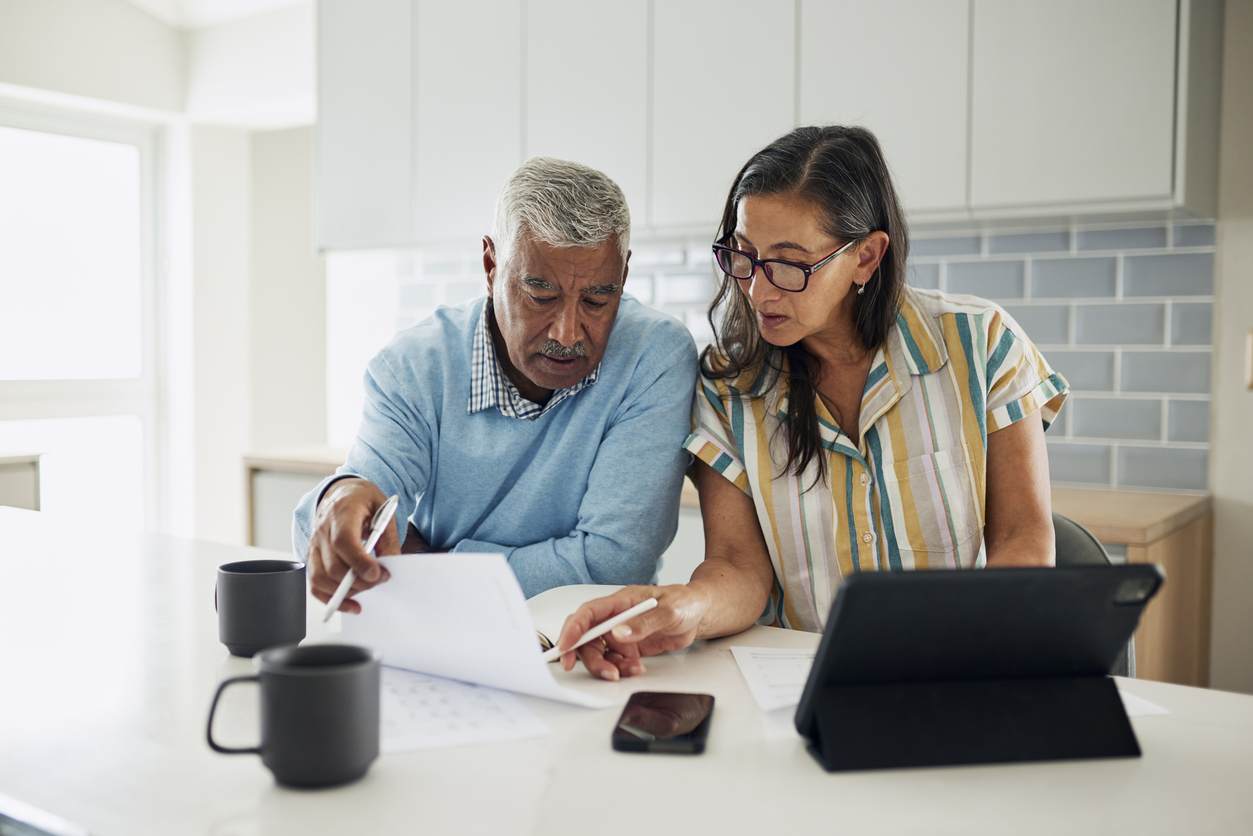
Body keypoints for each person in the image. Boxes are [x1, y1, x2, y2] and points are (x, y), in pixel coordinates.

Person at [555, 126, 1069, 681]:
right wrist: (682, 608)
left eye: (788, 264)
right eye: (744, 256)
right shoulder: (728, 386)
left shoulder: (982, 344)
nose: (757, 290)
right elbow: (738, 566)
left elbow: (1023, 539)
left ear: (866, 258)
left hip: (957, 671)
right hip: (800, 681)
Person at [294, 157, 698, 613]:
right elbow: (360, 506)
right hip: (436, 632)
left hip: (593, 640)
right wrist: (341, 497)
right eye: (541, 296)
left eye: (597, 300)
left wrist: (428, 563)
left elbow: (610, 567)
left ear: (623, 276)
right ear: (490, 266)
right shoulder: (414, 366)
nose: (567, 333)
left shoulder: (654, 356)